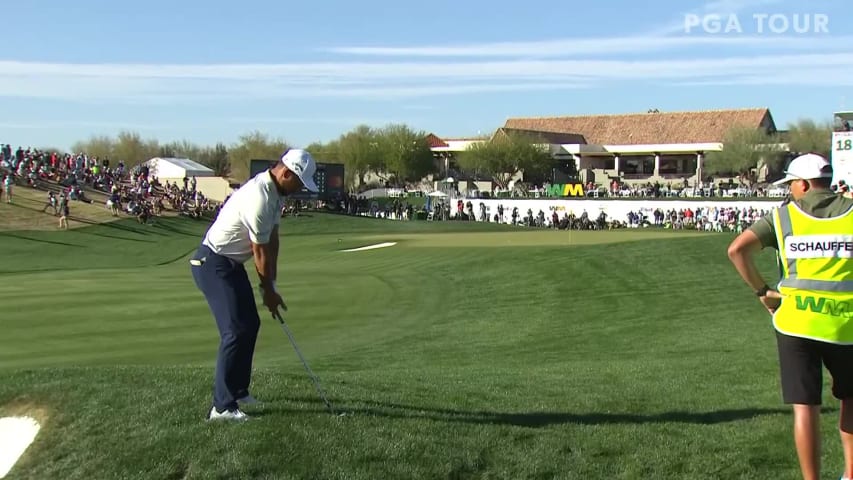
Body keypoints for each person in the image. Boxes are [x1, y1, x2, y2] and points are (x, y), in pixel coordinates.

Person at [727, 153, 853, 480]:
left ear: (804, 183)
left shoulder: (783, 218)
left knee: (805, 407)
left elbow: (737, 250)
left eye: (791, 184)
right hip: (848, 324)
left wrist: (762, 291)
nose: (790, 191)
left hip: (797, 323)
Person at [190, 149, 319, 422]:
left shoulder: (276, 195)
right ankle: (222, 407)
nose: (298, 190)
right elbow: (259, 251)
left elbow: (272, 242)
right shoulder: (259, 196)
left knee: (250, 324)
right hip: (212, 262)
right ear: (286, 173)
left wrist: (271, 284)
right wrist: (267, 291)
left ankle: (238, 390)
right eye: (298, 183)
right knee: (235, 330)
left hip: (230, 265)